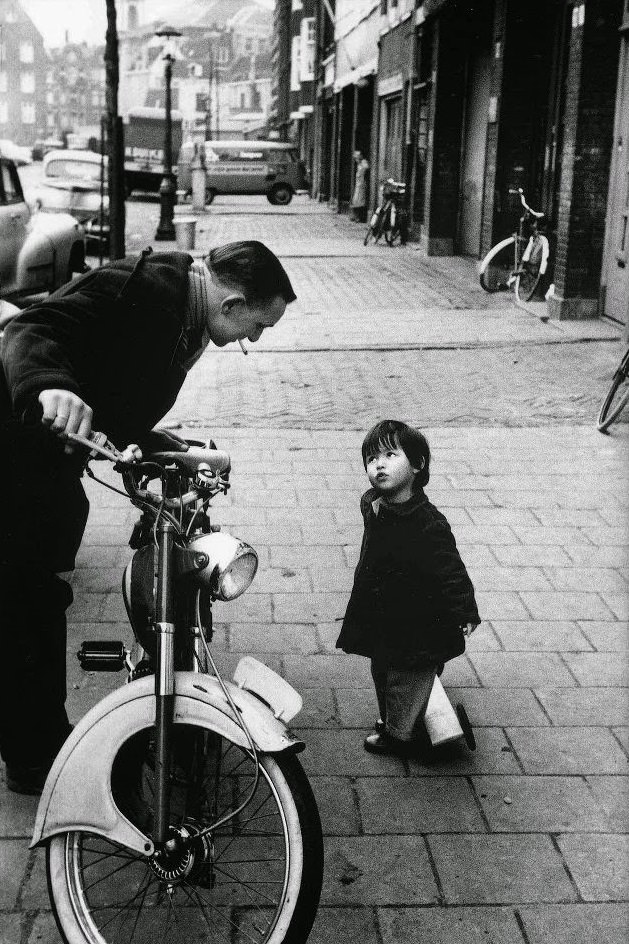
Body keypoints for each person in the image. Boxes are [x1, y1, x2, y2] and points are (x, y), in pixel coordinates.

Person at [0, 241, 296, 794]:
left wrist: (156, 442)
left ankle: (37, 742)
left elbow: (116, 380)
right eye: (257, 326)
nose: (253, 340)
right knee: (23, 602)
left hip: (42, 469)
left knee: (38, 598)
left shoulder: (183, 308)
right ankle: (33, 755)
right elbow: (30, 328)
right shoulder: (144, 291)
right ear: (230, 303)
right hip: (14, 458)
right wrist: (50, 385)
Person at [336, 419, 480, 756]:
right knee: (383, 669)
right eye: (371, 459)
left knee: (403, 676)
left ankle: (400, 736)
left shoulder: (428, 523)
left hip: (417, 621)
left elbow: (451, 570)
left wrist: (464, 610)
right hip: (383, 613)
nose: (379, 464)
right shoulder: (377, 505)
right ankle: (399, 719)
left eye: (390, 454)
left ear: (417, 464)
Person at [350, 151, 370, 222]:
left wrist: (362, 164)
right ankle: (355, 216)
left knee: (361, 200)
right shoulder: (359, 164)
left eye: (357, 158)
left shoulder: (363, 162)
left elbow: (366, 167)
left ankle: (360, 217)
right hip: (358, 184)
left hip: (362, 184)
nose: (356, 160)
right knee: (356, 200)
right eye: (356, 159)